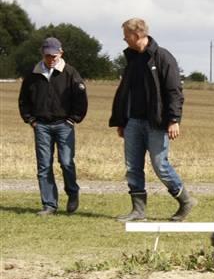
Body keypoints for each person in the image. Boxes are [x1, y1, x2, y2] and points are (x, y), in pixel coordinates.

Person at [109, 18, 197, 222]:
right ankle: (138, 211)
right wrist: (122, 121)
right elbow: (125, 92)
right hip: (133, 122)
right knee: (133, 167)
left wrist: (174, 119)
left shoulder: (163, 57)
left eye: (126, 35)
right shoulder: (131, 59)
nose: (124, 39)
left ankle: (186, 201)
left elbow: (174, 91)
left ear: (137, 35)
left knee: (160, 165)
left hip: (156, 123)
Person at [18, 37, 88, 216]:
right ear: (43, 54)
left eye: (54, 55)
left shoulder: (71, 73)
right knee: (44, 166)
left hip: (64, 124)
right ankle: (49, 204)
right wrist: (30, 119)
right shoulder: (32, 74)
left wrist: (73, 119)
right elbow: (23, 100)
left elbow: (81, 99)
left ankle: (72, 193)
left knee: (66, 162)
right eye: (48, 56)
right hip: (41, 125)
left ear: (61, 53)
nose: (51, 59)